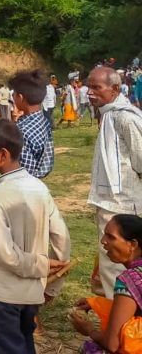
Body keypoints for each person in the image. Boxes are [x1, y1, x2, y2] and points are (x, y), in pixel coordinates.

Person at [0, 119, 71, 354]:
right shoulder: (39, 187)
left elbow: (6, 254)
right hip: (31, 293)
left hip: (2, 292)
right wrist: (53, 284)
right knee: (25, 344)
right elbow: (61, 238)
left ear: (3, 154)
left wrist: (41, 265)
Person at [86, 66, 142, 299]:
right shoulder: (108, 114)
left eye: (96, 87)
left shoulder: (125, 118)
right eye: (88, 86)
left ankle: (120, 324)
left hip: (123, 205)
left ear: (115, 89)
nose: (89, 92)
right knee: (109, 266)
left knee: (118, 267)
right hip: (109, 203)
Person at [70, 214, 142, 353]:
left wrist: (89, 330)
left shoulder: (129, 280)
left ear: (132, 244)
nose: (103, 241)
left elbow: (112, 344)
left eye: (111, 237)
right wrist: (96, 303)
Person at [10, 69, 55, 179]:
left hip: (24, 184)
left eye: (14, 95)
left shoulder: (21, 130)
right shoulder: (44, 121)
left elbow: (25, 170)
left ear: (20, 98)